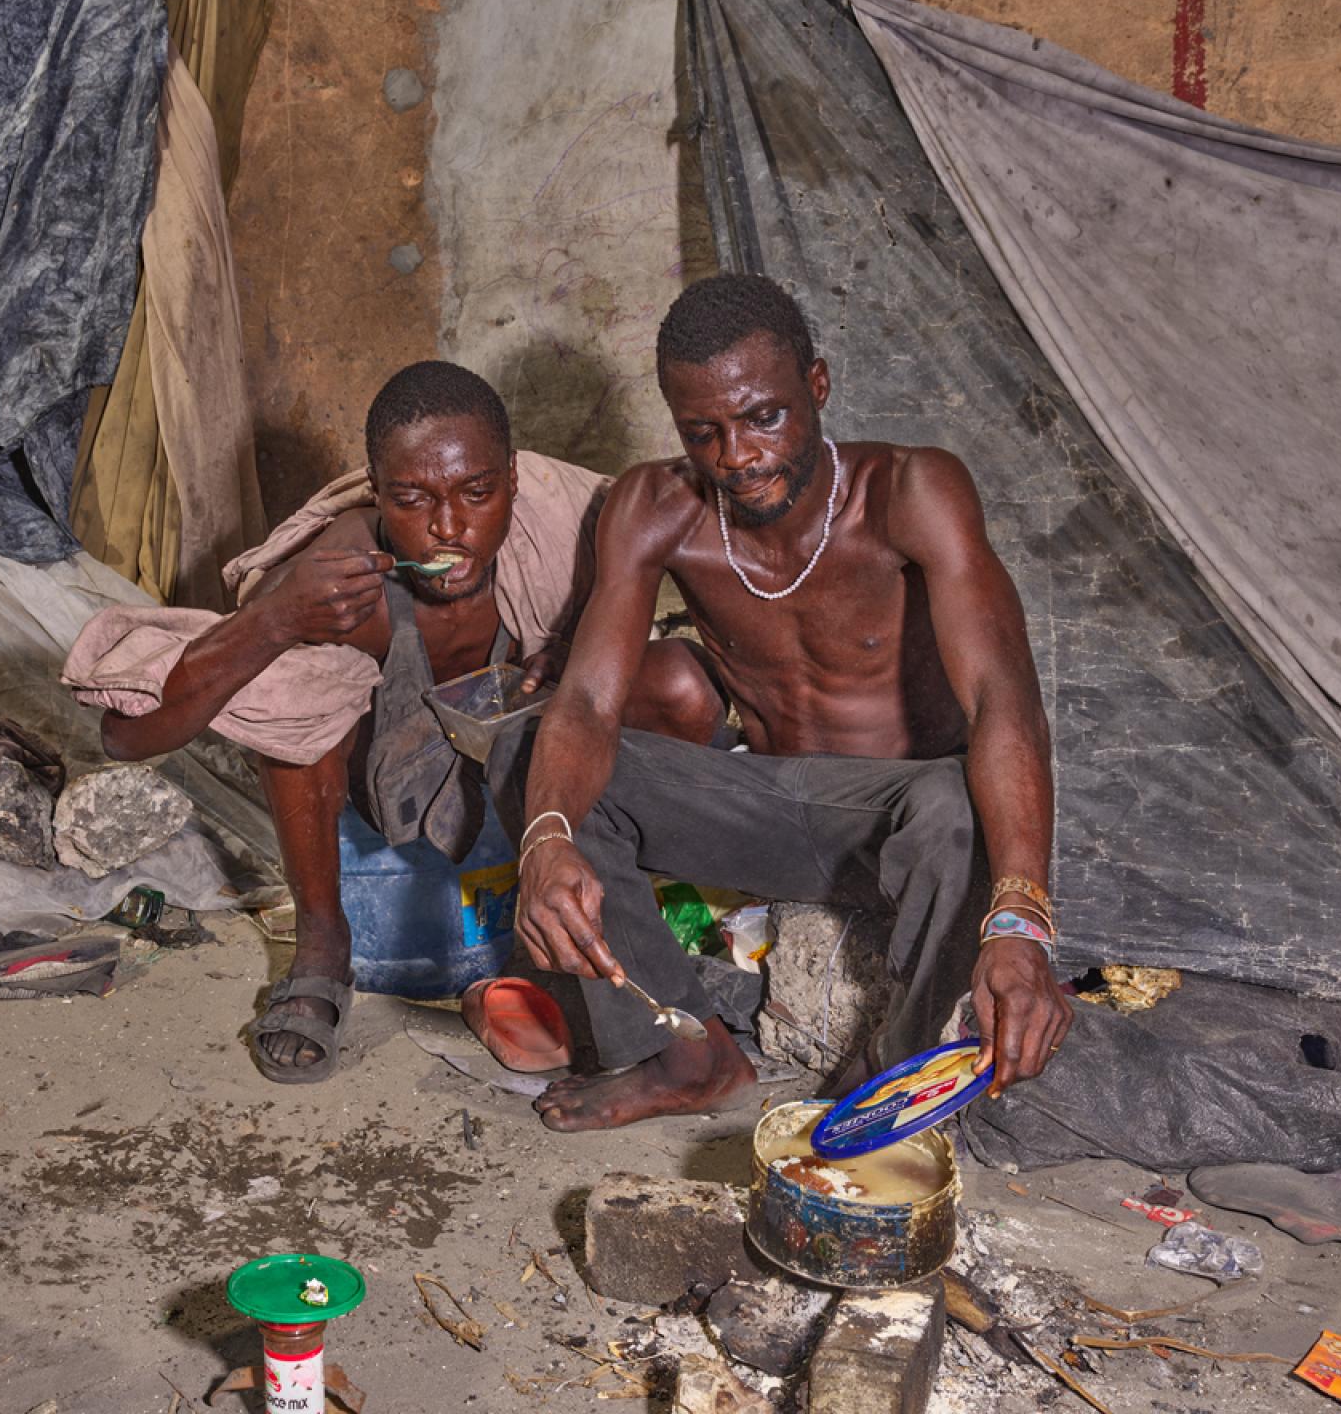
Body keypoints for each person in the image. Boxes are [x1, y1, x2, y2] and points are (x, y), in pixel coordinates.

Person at [496, 273, 1073, 1131]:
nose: (736, 455)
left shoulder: (910, 492)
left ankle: (891, 1085)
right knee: (533, 760)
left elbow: (1004, 701)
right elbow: (585, 700)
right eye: (704, 431)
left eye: (763, 416)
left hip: (905, 826)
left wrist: (1022, 917)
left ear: (818, 386)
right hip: (764, 803)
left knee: (949, 801)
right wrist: (546, 840)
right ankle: (684, 1050)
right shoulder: (651, 508)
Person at [68, 361, 723, 1083]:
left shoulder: (561, 521)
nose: (449, 528)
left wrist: (583, 638)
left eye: (478, 493)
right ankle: (323, 940)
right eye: (413, 500)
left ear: (511, 474)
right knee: (296, 706)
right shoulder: (344, 581)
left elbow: (709, 553)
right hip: (381, 784)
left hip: (531, 766)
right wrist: (278, 619)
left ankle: (620, 899)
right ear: (377, 493)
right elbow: (127, 736)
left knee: (679, 684)